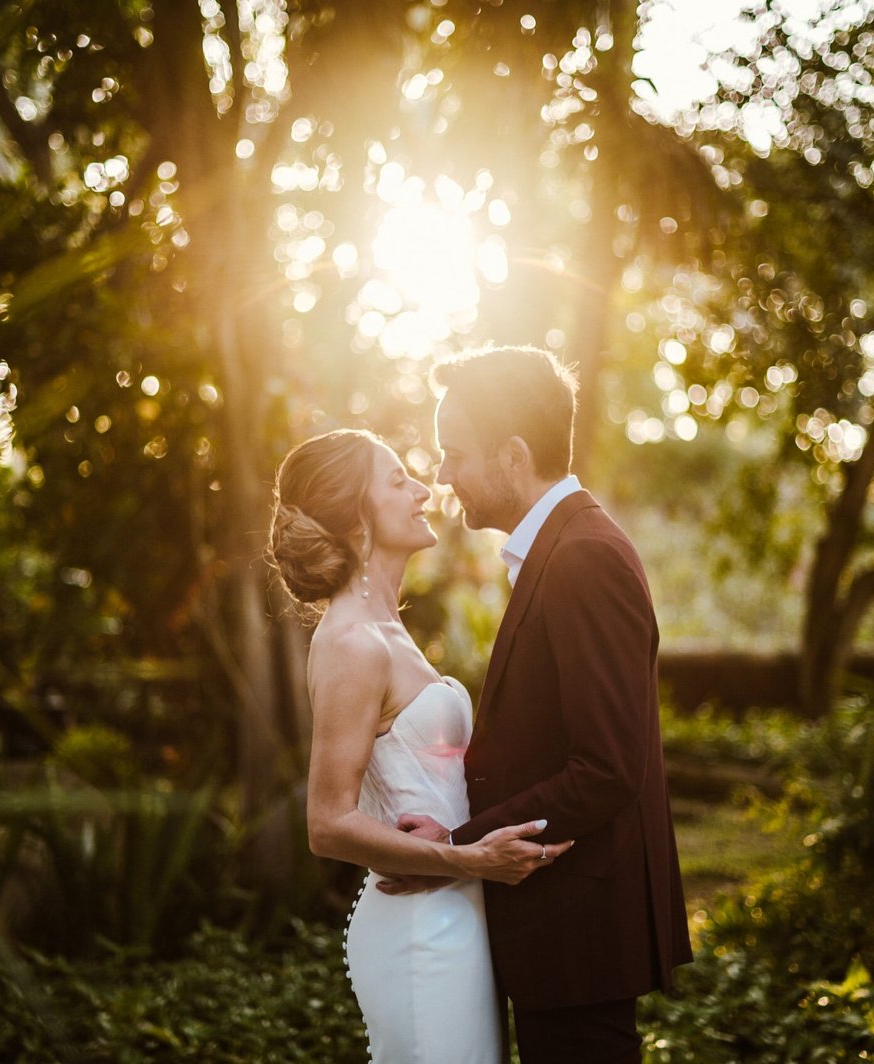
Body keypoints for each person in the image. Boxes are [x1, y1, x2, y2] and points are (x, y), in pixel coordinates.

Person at [383, 346, 693, 1064]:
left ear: (514, 456)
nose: (443, 476)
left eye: (456, 453)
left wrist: (457, 849)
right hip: (562, 930)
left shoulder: (583, 556)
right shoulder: (559, 549)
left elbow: (607, 768)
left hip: (581, 935)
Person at [266, 427, 571, 1064]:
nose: (423, 490)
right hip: (421, 932)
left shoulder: (388, 630)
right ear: (356, 515)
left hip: (459, 915)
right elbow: (327, 823)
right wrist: (470, 860)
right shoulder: (352, 643)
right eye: (397, 479)